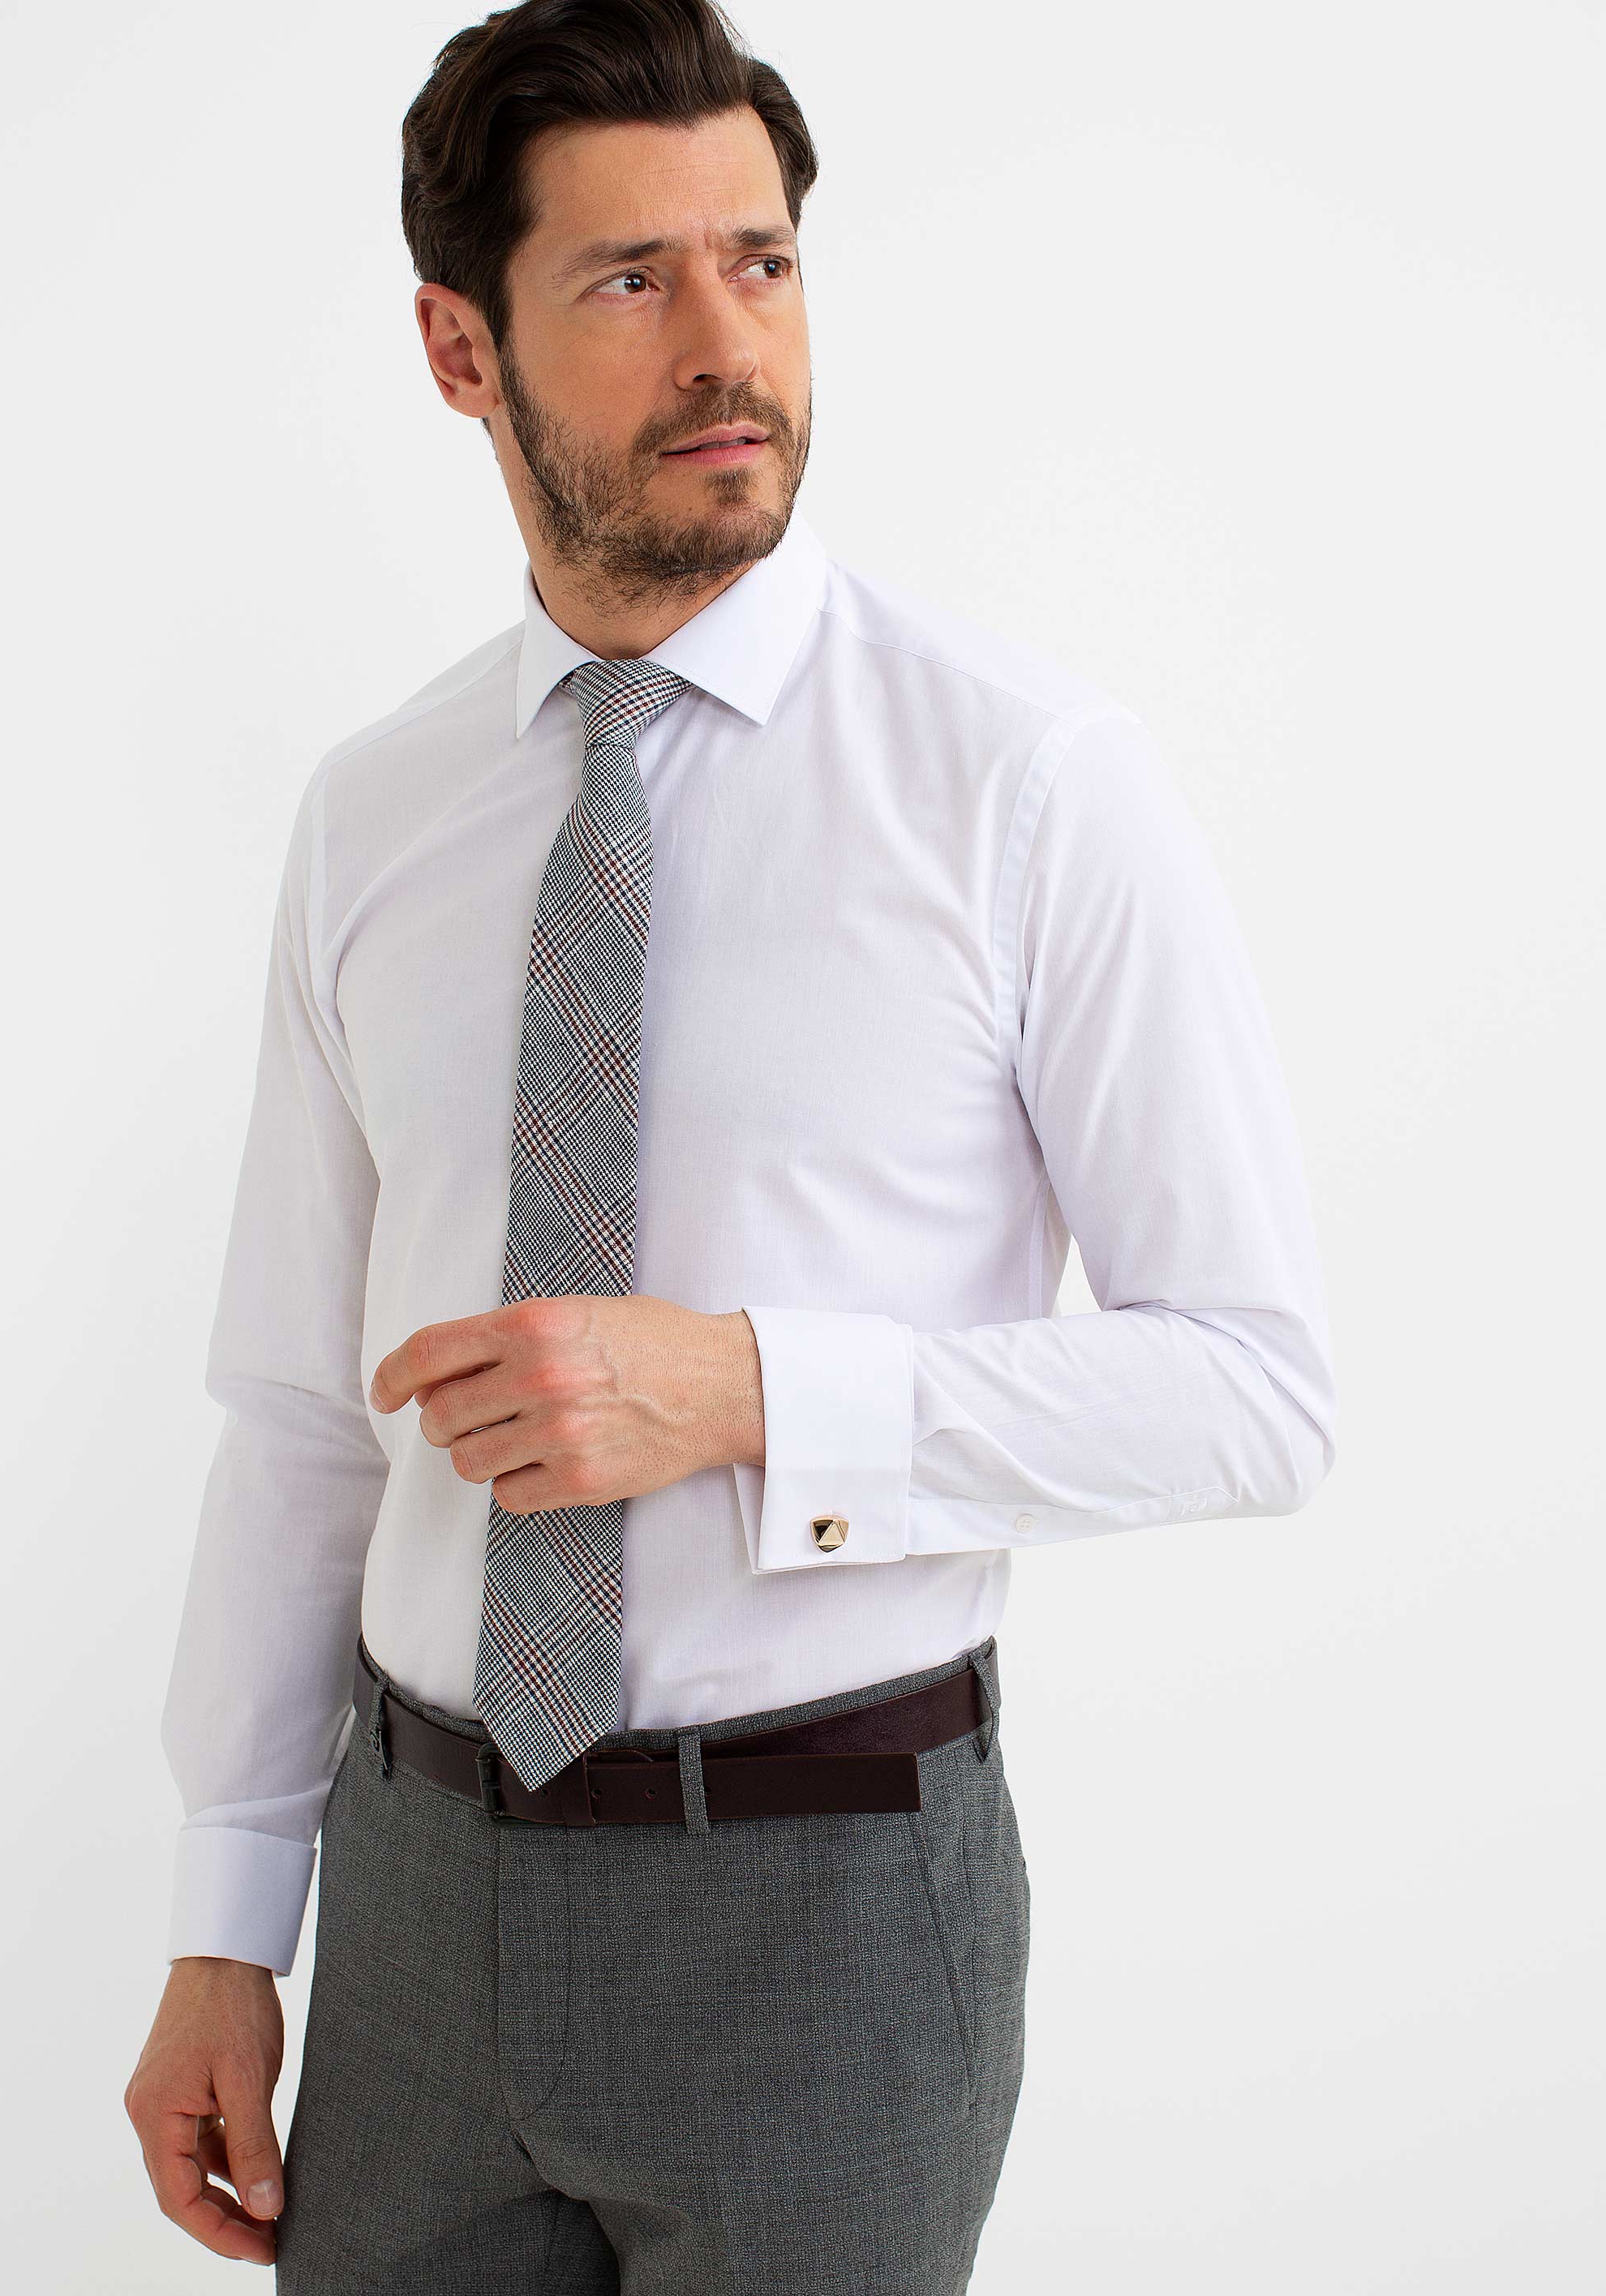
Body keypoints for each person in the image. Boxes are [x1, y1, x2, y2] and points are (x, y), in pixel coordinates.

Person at [122, 1, 1338, 2286]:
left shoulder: (1024, 786)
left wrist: (756, 1392)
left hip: (828, 1912)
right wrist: (227, 1912)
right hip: (411, 1901)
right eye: (628, 278)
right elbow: (295, 1417)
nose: (726, 348)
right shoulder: (375, 817)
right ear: (459, 350)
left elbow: (1255, 1388)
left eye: (760, 263)